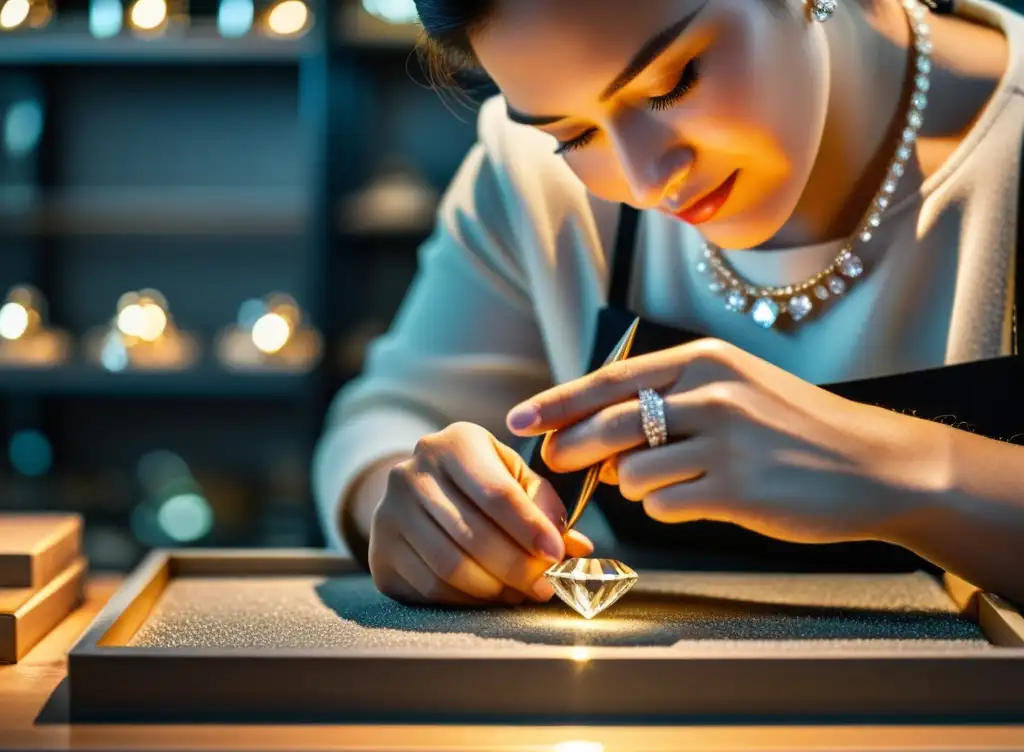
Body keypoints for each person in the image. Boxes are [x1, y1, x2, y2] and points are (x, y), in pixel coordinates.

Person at [314, 0, 1024, 608]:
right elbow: (382, 419)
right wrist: (413, 507)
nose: (646, 177)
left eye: (675, 79)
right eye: (576, 135)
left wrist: (905, 471)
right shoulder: (535, 182)